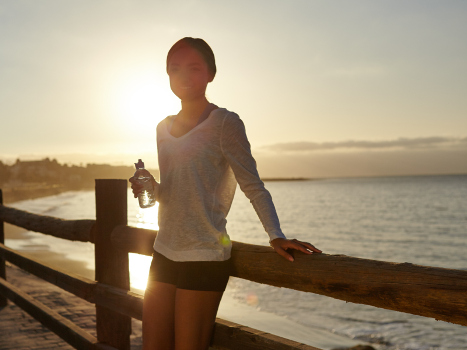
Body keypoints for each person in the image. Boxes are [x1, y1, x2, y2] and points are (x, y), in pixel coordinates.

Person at [129, 37, 322, 350]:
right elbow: (174, 192)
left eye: (194, 68)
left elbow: (252, 183)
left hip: (204, 255)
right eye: (175, 69)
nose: (184, 76)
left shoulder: (225, 123)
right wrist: (151, 186)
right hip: (163, 251)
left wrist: (275, 234)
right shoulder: (162, 128)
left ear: (210, 73)